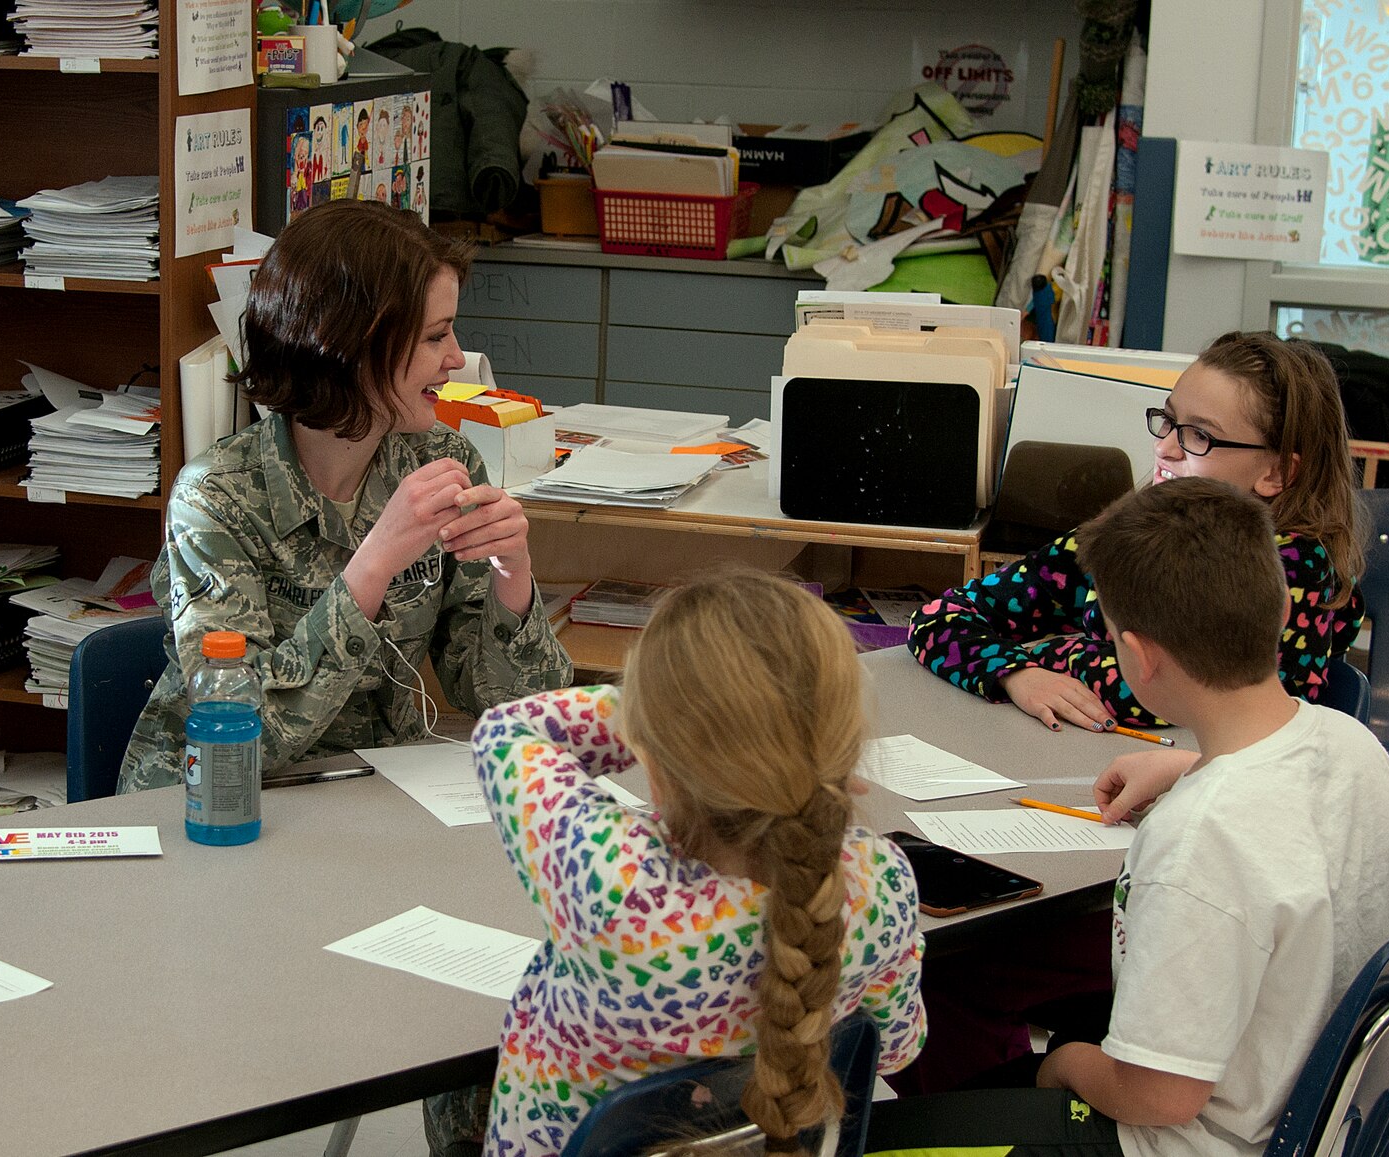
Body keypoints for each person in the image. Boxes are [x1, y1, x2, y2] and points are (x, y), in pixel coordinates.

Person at [865, 477, 1389, 1157]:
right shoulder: (1351, 743)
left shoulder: (1197, 841)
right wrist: (1191, 767)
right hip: (1295, 1099)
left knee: (869, 1137)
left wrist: (1058, 1066)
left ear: (1141, 654)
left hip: (1179, 1140)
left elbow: (1161, 1097)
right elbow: (1284, 787)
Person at [116, 197, 572, 792]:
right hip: (222, 807)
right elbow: (244, 733)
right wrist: (375, 564)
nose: (457, 359)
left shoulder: (444, 460)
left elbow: (505, 701)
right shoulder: (217, 498)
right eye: (435, 336)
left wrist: (512, 577)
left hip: (378, 796)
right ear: (352, 348)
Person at [475, 570, 926, 1157]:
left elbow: (506, 733)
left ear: (656, 761)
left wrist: (656, 710)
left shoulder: (613, 885)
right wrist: (759, 734)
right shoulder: (881, 884)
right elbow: (895, 1046)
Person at [909, 331, 1364, 732]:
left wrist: (1056, 657)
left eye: (1199, 436)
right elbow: (941, 615)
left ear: (1278, 471)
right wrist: (1017, 674)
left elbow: (1161, 688)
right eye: (1167, 420)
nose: (1163, 448)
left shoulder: (1291, 570)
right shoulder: (1126, 536)